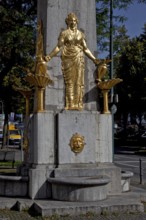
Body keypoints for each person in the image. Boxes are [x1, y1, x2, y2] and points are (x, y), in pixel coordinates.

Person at [45, 13, 99, 110]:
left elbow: (85, 49)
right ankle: (70, 104)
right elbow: (58, 47)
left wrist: (94, 59)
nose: (73, 22)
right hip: (68, 58)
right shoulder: (64, 33)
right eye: (71, 21)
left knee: (78, 81)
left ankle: (78, 104)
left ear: (76, 22)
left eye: (74, 21)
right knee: (69, 82)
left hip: (78, 57)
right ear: (68, 22)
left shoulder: (81, 34)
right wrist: (49, 56)